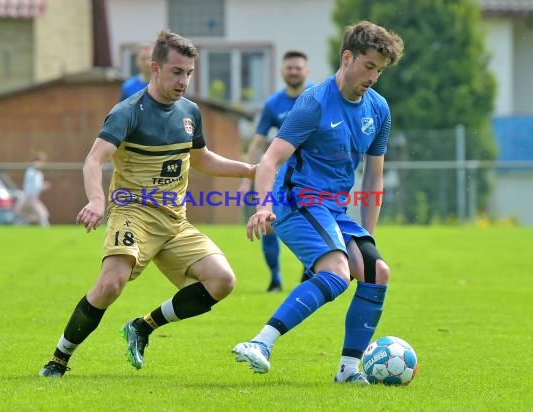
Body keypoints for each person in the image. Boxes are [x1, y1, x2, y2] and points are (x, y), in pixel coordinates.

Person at [39, 29, 256, 377]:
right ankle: (59, 359)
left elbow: (201, 159)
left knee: (222, 280)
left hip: (174, 221)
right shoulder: (128, 112)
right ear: (155, 68)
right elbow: (94, 159)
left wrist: (249, 170)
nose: (183, 81)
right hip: (132, 214)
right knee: (111, 283)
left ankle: (143, 326)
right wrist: (97, 200)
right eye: (176, 72)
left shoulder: (190, 112)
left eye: (188, 73)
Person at [232, 21, 404, 385]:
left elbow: (373, 178)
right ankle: (260, 342)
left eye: (380, 70)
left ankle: (348, 371)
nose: (374, 77)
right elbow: (268, 160)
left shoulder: (379, 109)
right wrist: (263, 206)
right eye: (369, 66)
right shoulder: (313, 102)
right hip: (295, 203)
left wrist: (366, 237)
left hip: (333, 211)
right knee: (338, 273)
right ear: (347, 57)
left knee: (377, 273)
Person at [238, 50, 313, 292]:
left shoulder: (316, 97)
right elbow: (258, 142)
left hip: (313, 176)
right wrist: (246, 179)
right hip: (281, 176)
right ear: (282, 71)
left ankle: (308, 271)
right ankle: (275, 278)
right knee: (268, 223)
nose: (293, 71)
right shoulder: (273, 104)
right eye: (289, 67)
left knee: (311, 223)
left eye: (298, 68)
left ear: (306, 71)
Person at [13, 151, 50, 227]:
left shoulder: (39, 174)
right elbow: (34, 186)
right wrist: (43, 186)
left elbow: (37, 187)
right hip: (28, 198)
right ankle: (46, 230)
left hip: (32, 198)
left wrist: (43, 186)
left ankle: (16, 227)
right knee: (42, 214)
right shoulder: (31, 171)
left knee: (34, 215)